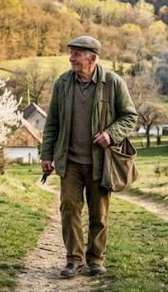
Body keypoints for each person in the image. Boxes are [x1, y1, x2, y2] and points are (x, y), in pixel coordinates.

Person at [40, 35, 138, 278]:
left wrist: (111, 134)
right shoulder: (62, 84)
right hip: (70, 161)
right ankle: (74, 260)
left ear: (92, 58)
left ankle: (96, 259)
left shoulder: (113, 83)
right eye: (71, 53)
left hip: (100, 162)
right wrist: (47, 154)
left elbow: (130, 117)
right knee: (69, 209)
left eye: (76, 54)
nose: (70, 58)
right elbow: (52, 122)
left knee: (99, 213)